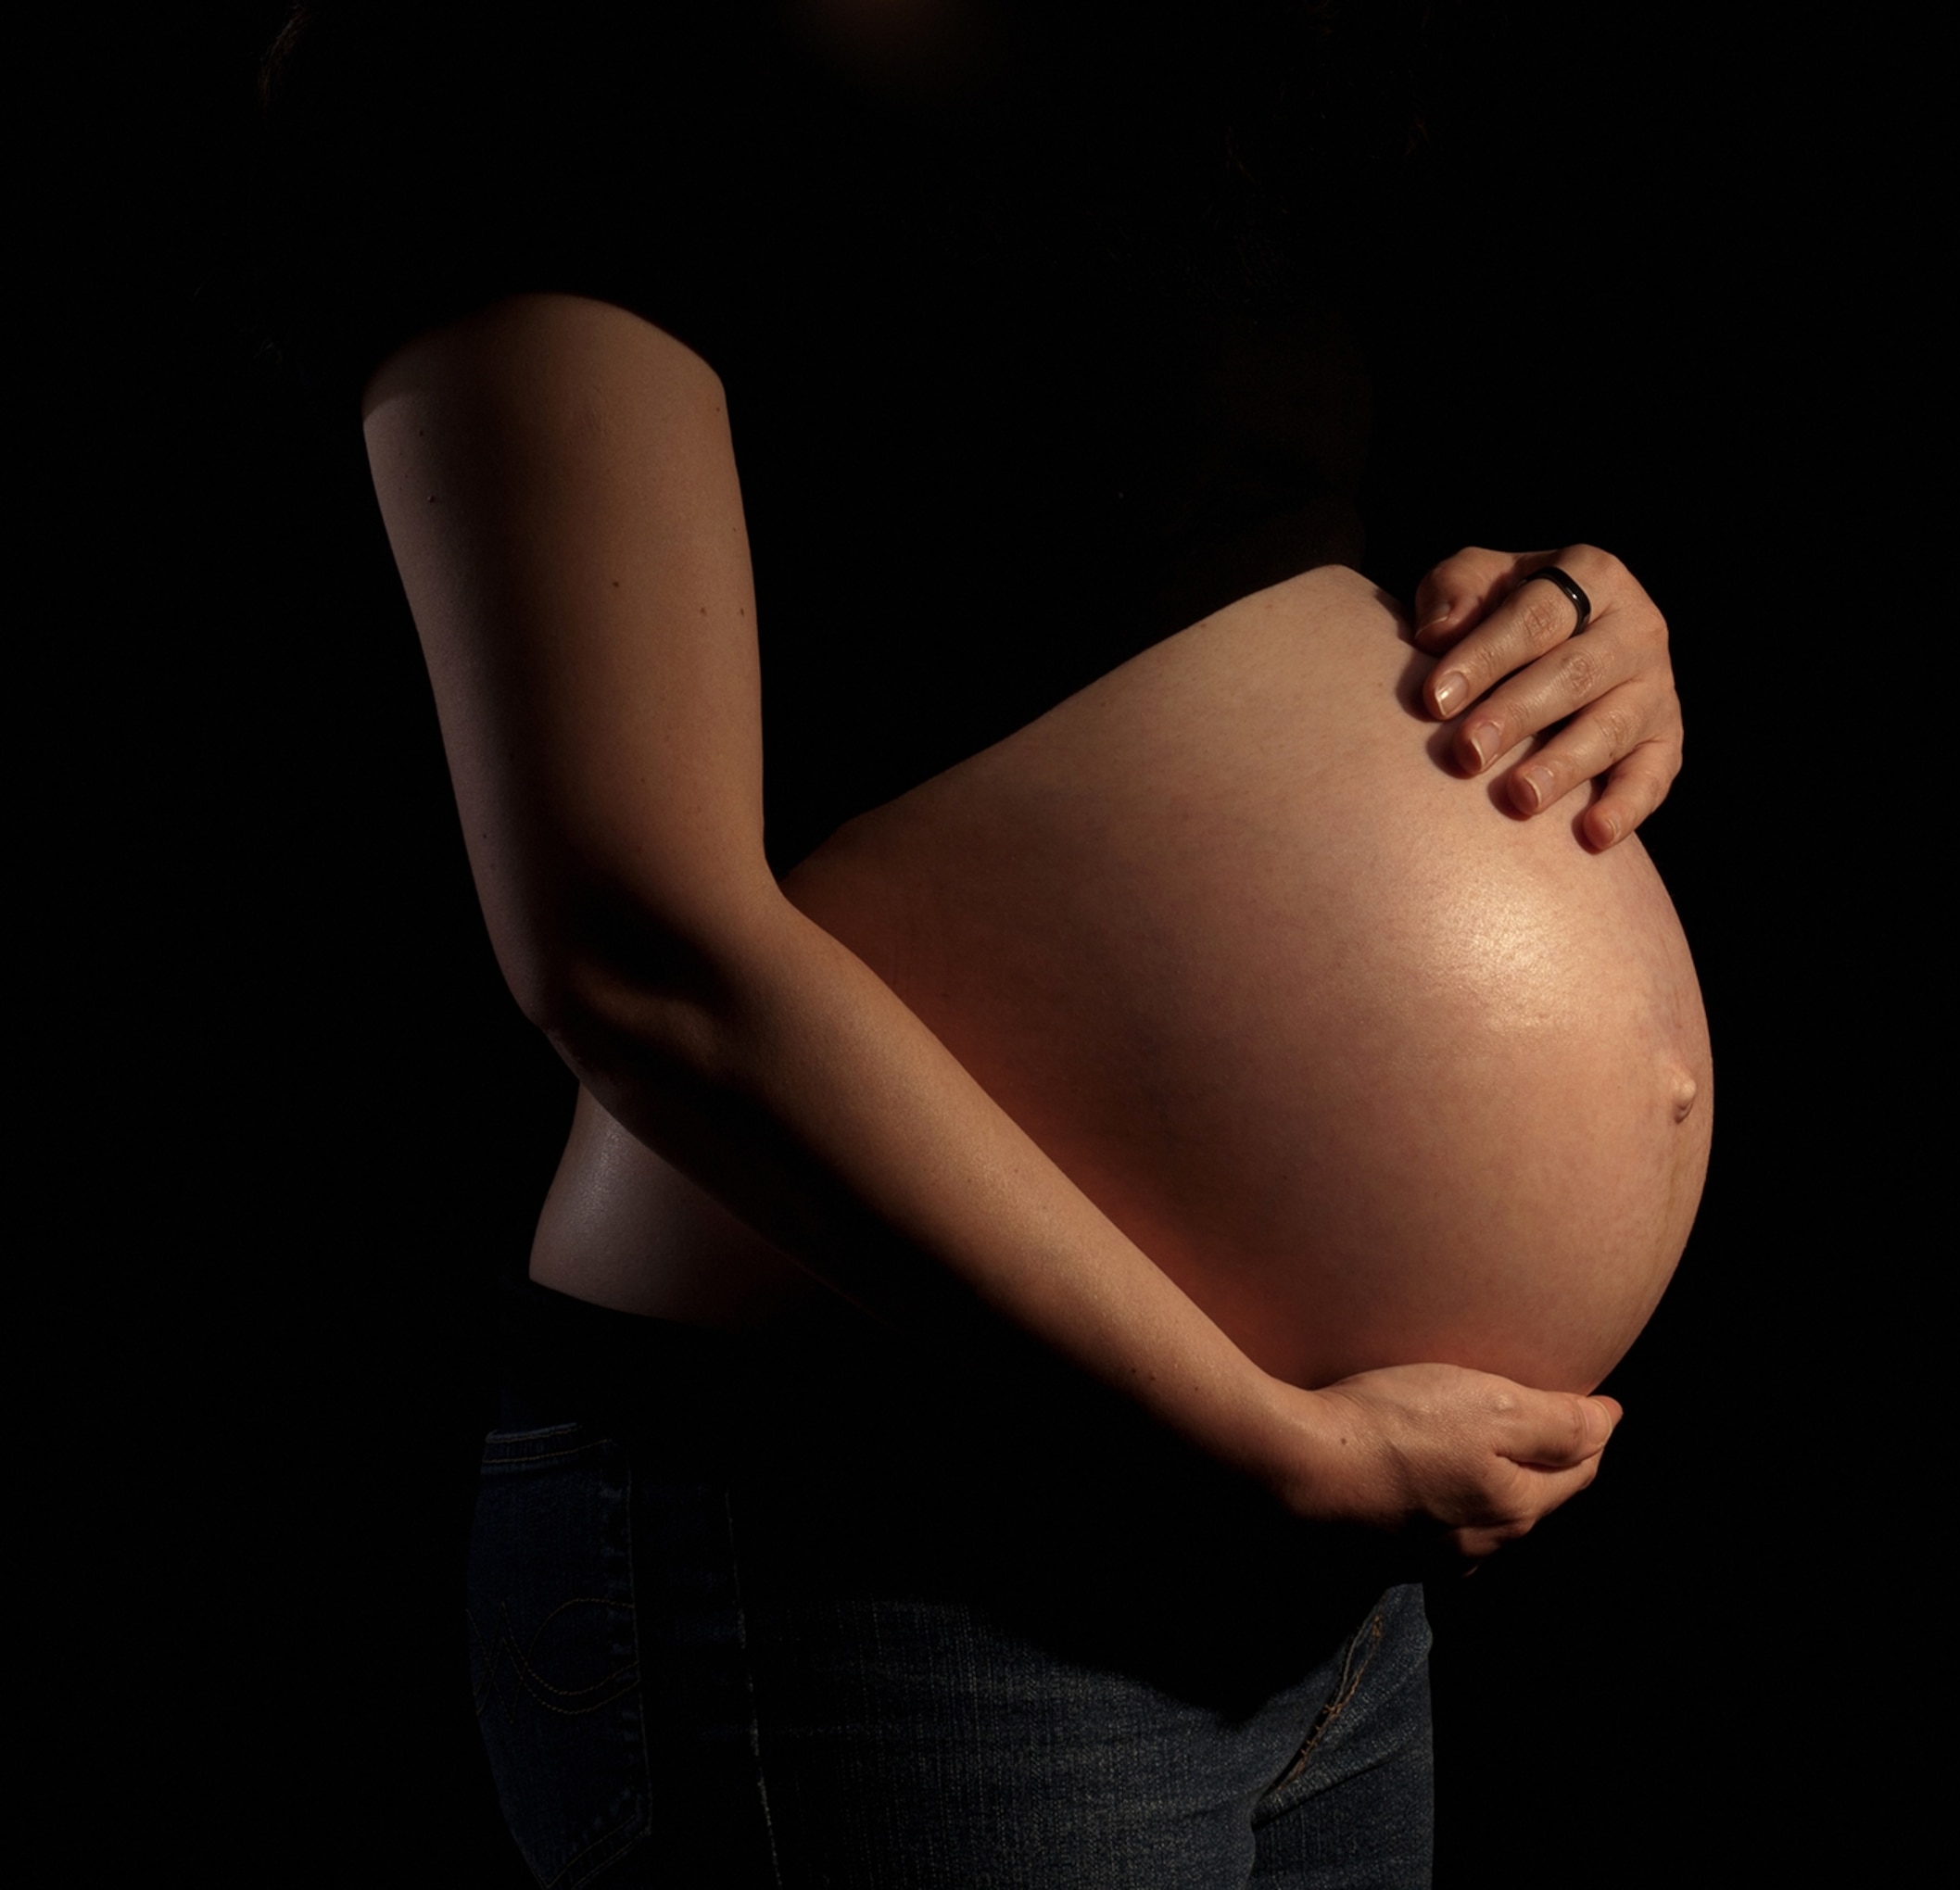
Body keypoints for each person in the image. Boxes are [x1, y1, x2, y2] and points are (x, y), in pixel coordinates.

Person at [267, 4, 1703, 1882]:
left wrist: (1586, 626)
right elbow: (632, 943)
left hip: (1315, 1599)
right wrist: (1273, 1444)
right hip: (892, 1553)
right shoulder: (517, 56)